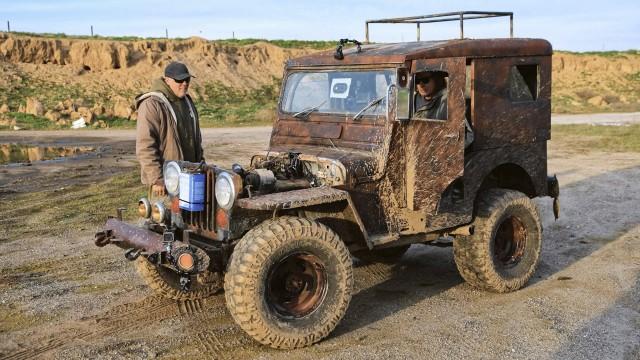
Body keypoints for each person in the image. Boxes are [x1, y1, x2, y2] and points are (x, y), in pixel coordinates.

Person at [135, 61, 204, 196]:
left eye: (187, 79)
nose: (184, 83)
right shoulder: (151, 104)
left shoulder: (187, 102)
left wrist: (202, 166)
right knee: (164, 216)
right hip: (166, 182)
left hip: (190, 177)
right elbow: (145, 146)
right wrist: (157, 179)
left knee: (195, 216)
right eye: (179, 80)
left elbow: (195, 139)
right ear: (167, 80)